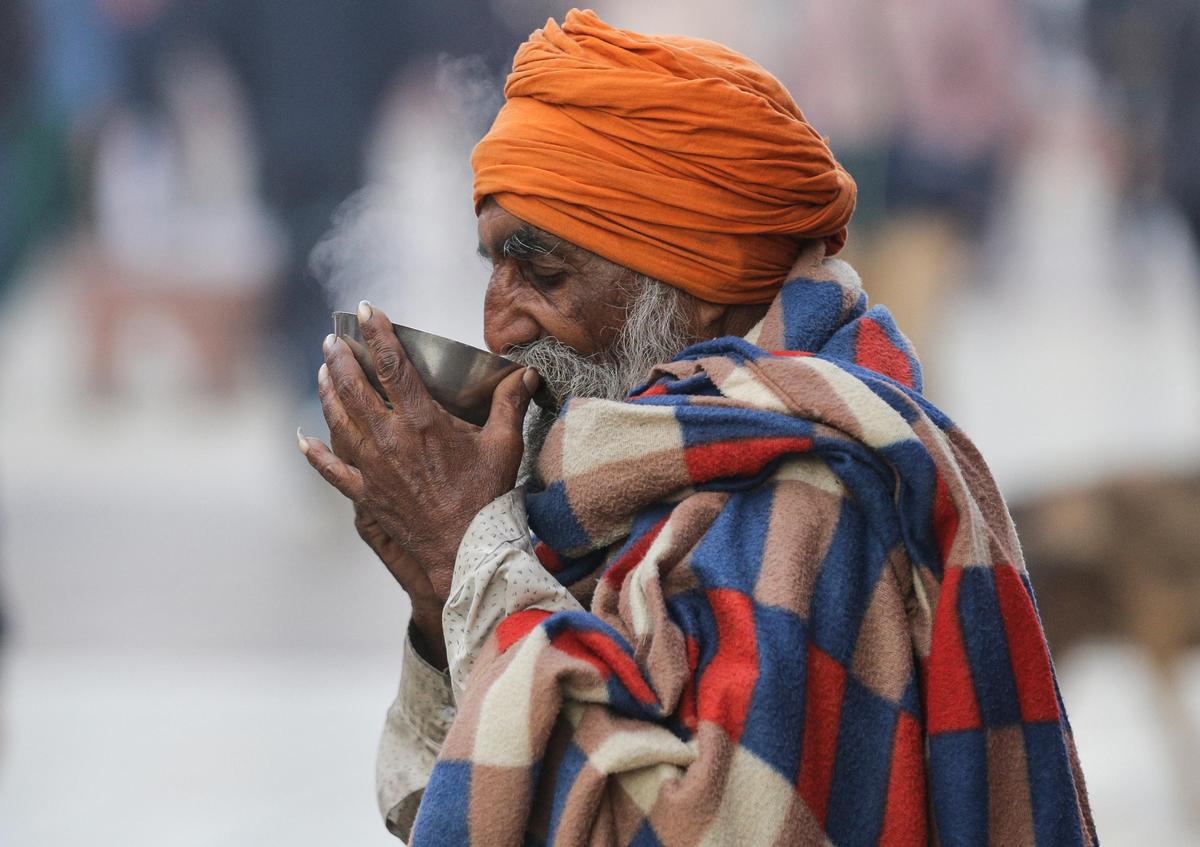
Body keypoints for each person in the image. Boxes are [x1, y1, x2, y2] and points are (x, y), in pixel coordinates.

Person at [298, 11, 1096, 846]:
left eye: (541, 274)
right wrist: (445, 594)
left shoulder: (808, 495)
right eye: (493, 268)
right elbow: (462, 800)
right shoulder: (626, 474)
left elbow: (673, 829)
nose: (499, 328)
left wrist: (471, 554)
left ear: (697, 284)